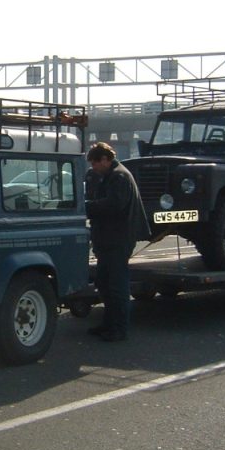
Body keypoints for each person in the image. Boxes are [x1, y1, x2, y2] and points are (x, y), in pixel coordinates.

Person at [84, 142, 150, 342]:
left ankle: (119, 328)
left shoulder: (119, 176)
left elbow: (114, 206)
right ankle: (109, 324)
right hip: (110, 238)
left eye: (95, 162)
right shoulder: (112, 175)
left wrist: (86, 207)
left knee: (116, 285)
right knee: (104, 283)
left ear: (105, 159)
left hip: (118, 238)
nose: (93, 167)